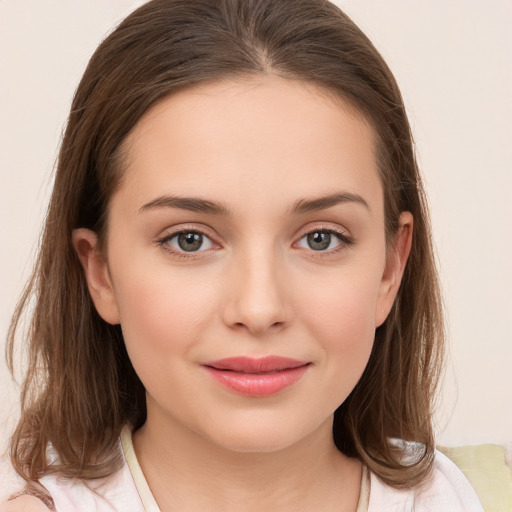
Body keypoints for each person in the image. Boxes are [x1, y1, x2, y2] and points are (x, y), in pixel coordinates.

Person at [1, 0, 484, 510]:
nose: (259, 309)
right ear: (100, 273)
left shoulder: (452, 497)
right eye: (189, 239)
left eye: (321, 238)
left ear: (390, 268)